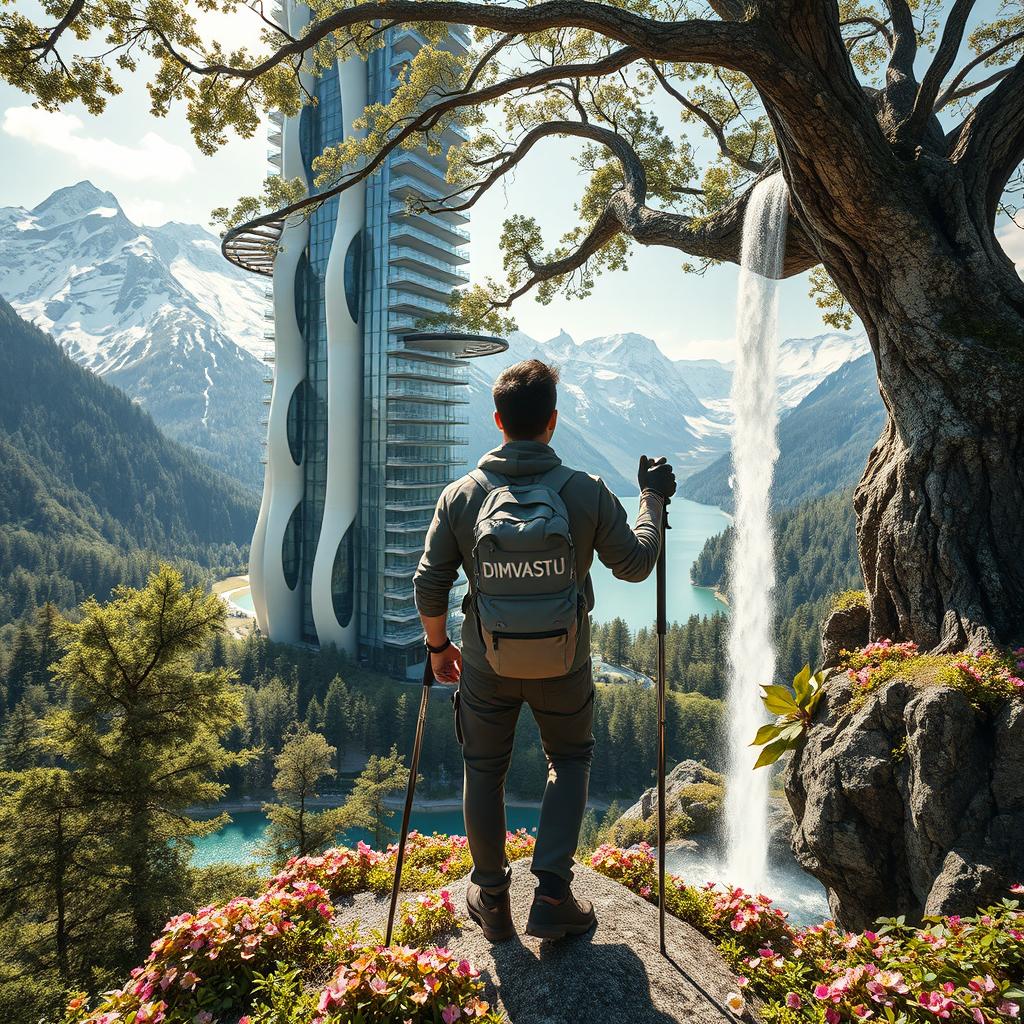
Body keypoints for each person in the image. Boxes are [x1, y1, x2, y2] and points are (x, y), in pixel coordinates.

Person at [413, 358, 676, 942]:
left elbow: (429, 584)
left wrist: (439, 650)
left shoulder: (461, 496)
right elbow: (635, 563)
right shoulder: (583, 491)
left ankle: (493, 902)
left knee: (484, 769)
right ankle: (553, 894)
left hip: (485, 664)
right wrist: (651, 500)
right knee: (571, 761)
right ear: (553, 422)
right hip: (565, 664)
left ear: (498, 420)